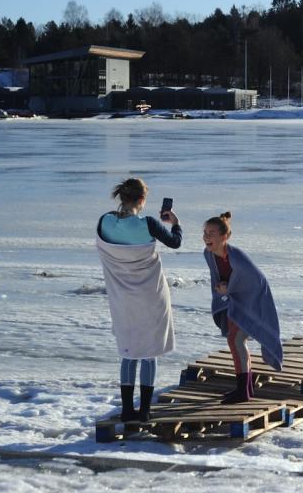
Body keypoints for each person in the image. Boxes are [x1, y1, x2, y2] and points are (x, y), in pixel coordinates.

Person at [96, 178, 182, 423]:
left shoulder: (105, 221)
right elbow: (175, 242)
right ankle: (144, 410)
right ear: (142, 200)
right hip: (150, 293)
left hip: (121, 295)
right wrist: (175, 223)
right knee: (149, 350)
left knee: (128, 350)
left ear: (122, 197)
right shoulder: (149, 224)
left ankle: (126, 410)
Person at [203, 212, 283, 404]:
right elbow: (218, 279)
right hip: (236, 301)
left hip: (254, 299)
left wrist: (228, 288)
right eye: (205, 232)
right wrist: (223, 290)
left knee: (236, 340)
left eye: (211, 233)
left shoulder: (237, 257)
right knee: (236, 341)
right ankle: (245, 389)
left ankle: (243, 391)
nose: (206, 237)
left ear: (224, 237)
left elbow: (255, 280)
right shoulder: (209, 254)